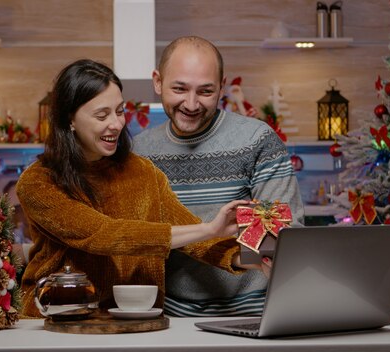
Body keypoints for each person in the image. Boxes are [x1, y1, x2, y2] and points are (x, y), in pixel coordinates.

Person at [16, 59, 251, 317]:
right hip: (55, 318)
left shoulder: (143, 172)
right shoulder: (39, 181)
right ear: (69, 119)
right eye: (101, 115)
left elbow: (189, 235)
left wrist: (248, 258)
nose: (116, 124)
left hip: (139, 318)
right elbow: (104, 235)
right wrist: (208, 228)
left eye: (119, 111)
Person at [133, 36, 304, 317]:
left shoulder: (256, 140)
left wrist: (274, 248)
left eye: (205, 91)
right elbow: (138, 239)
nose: (191, 103)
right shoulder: (140, 152)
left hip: (253, 310)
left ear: (222, 87)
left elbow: (282, 231)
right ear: (158, 82)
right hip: (168, 315)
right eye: (179, 88)